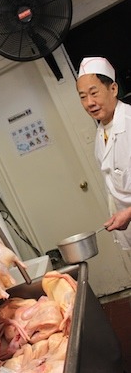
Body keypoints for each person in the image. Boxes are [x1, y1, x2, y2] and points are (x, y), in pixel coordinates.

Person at [76, 56, 131, 250]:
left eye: (94, 93)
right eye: (82, 96)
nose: (89, 102)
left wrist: (129, 212)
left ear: (113, 89)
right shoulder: (102, 132)